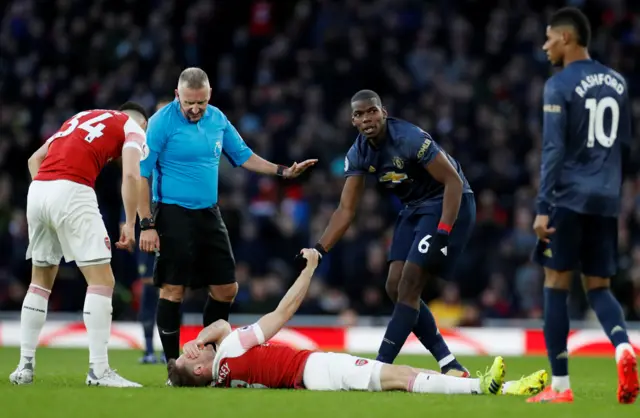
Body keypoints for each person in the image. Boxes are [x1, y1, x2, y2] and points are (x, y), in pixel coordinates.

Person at [167, 249, 547, 396]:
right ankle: (485, 387)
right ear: (201, 370)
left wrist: (198, 340)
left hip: (307, 380)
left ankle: (502, 386)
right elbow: (282, 312)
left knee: (400, 378)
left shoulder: (220, 376)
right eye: (191, 355)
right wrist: (310, 269)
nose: (194, 347)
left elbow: (217, 329)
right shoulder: (231, 349)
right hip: (315, 368)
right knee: (399, 377)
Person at [137, 67, 317, 374]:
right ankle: (172, 367)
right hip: (172, 212)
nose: (195, 109)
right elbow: (141, 176)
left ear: (209, 97)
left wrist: (281, 171)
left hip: (208, 212)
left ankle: (208, 357)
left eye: (201, 103)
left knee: (226, 289)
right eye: (189, 103)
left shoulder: (217, 119)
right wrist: (146, 224)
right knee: (173, 290)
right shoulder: (160, 123)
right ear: (177, 96)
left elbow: (243, 155)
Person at [297, 90, 475, 376]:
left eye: (372, 111)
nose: (367, 118)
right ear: (352, 120)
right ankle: (449, 363)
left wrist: (443, 230)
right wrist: (319, 248)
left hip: (447, 202)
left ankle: (380, 366)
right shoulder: (358, 153)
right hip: (414, 208)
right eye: (359, 114)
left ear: (384, 112)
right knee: (393, 286)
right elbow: (345, 209)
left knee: (409, 285)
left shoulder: (410, 139)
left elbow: (453, 181)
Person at [528, 7, 638, 404]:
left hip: (568, 198)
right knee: (600, 287)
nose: (545, 46)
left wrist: (543, 206)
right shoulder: (619, 82)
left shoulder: (558, 85)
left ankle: (559, 387)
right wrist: (616, 196)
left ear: (567, 38)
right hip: (607, 198)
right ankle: (624, 347)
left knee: (556, 284)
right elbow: (624, 146)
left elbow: (554, 150)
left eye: (549, 38)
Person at [10, 102, 149, 387]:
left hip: (38, 191)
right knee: (102, 280)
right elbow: (133, 175)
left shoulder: (82, 116)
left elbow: (33, 160)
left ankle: (24, 366)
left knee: (40, 281)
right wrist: (131, 223)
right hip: (72, 189)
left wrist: (51, 198)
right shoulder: (133, 127)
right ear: (141, 123)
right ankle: (99, 371)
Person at [118, 97, 173, 365]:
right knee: (150, 291)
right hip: (146, 229)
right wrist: (127, 221)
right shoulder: (144, 148)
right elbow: (132, 184)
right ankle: (150, 350)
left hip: (172, 229)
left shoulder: (178, 149)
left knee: (173, 291)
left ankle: (168, 351)